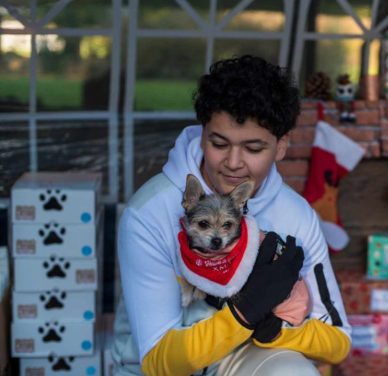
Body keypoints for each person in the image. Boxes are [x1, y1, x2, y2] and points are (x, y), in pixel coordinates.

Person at [112, 55, 351, 376]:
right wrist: (244, 313)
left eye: (253, 149)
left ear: (281, 146)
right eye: (219, 143)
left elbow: (337, 342)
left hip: (245, 361)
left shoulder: (295, 215)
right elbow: (157, 361)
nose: (233, 162)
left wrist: (274, 329)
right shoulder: (150, 211)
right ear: (202, 133)